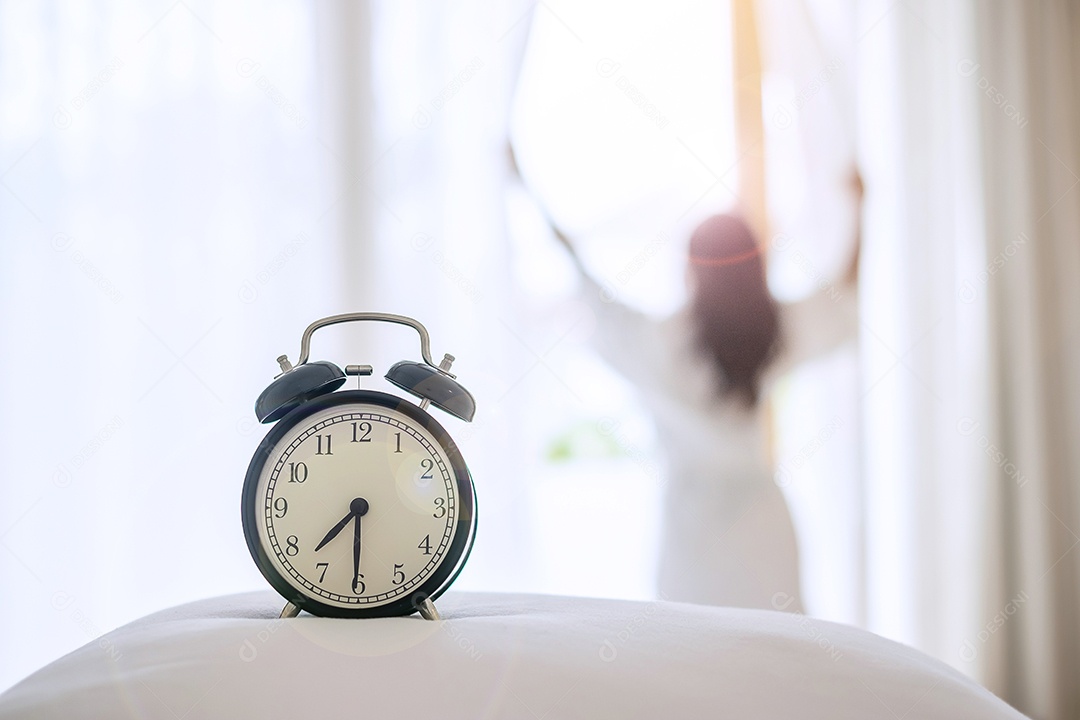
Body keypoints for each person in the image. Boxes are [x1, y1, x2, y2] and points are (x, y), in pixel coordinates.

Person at [512, 150, 860, 611]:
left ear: (692, 268)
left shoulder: (659, 342)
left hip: (692, 528)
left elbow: (590, 289)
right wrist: (861, 209)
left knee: (694, 657)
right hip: (763, 523)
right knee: (779, 658)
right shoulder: (770, 334)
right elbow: (841, 294)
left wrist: (529, 192)